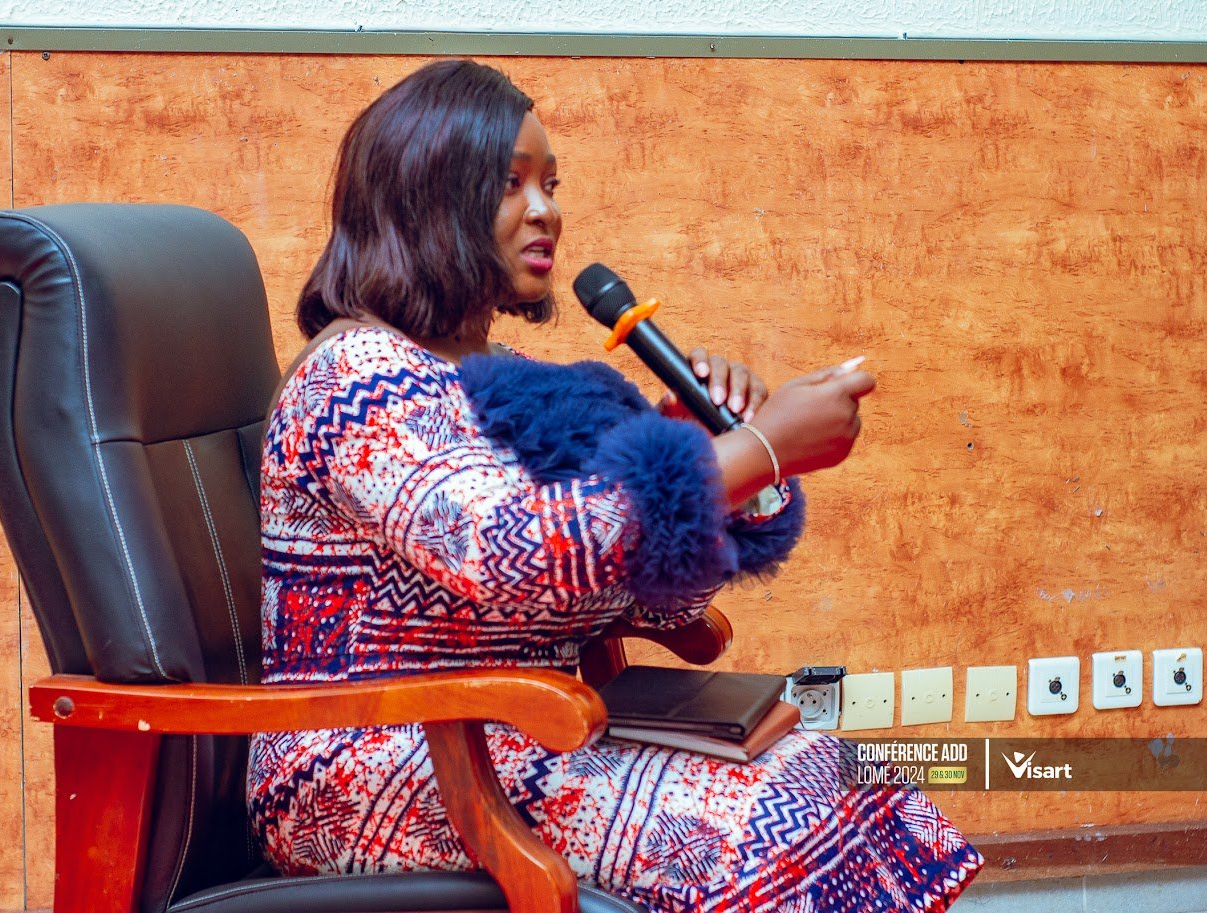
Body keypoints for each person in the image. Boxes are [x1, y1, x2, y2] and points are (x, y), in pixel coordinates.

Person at [248, 59, 981, 912]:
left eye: (550, 184)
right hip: (364, 759)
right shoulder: (356, 377)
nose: (545, 210)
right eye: (510, 183)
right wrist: (754, 451)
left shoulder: (515, 377)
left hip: (522, 727)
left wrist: (704, 444)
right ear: (424, 198)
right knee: (746, 828)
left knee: (840, 771)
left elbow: (654, 596)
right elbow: (511, 552)